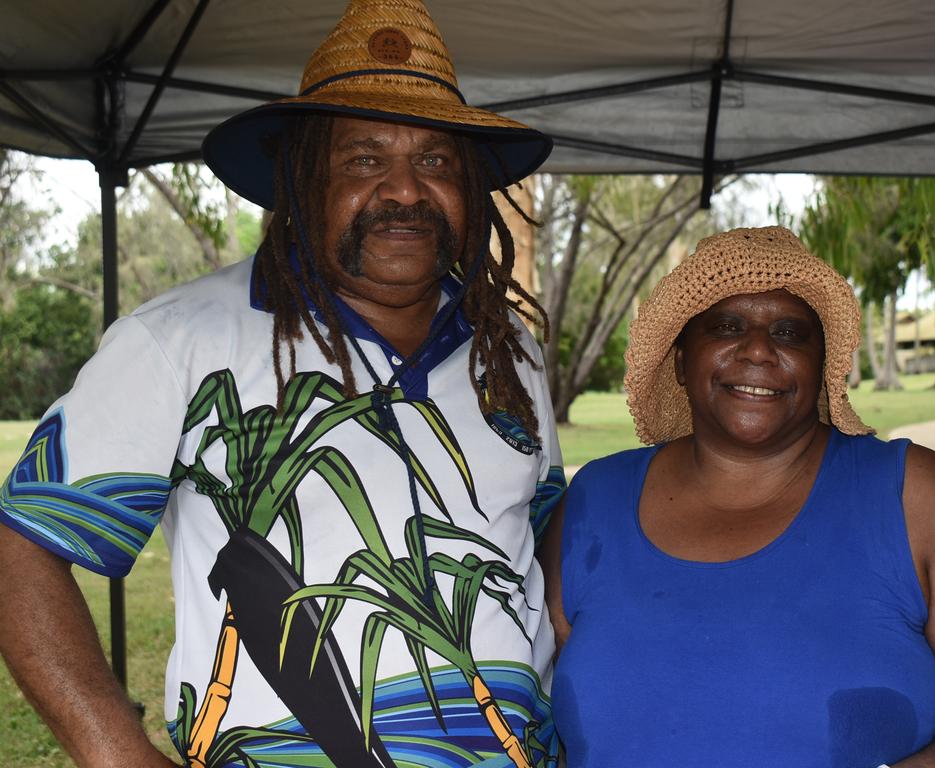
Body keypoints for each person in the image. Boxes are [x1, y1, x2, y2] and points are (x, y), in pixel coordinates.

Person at [0, 2, 565, 767]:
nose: (406, 190)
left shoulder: (511, 352)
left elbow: (538, 552)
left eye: (436, 162)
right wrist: (114, 753)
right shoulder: (180, 340)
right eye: (365, 159)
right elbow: (23, 547)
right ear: (300, 182)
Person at [542, 226, 935, 767]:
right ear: (681, 361)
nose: (758, 349)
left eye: (790, 333)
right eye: (727, 327)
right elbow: (525, 701)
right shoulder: (595, 500)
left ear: (821, 369)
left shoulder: (915, 495)